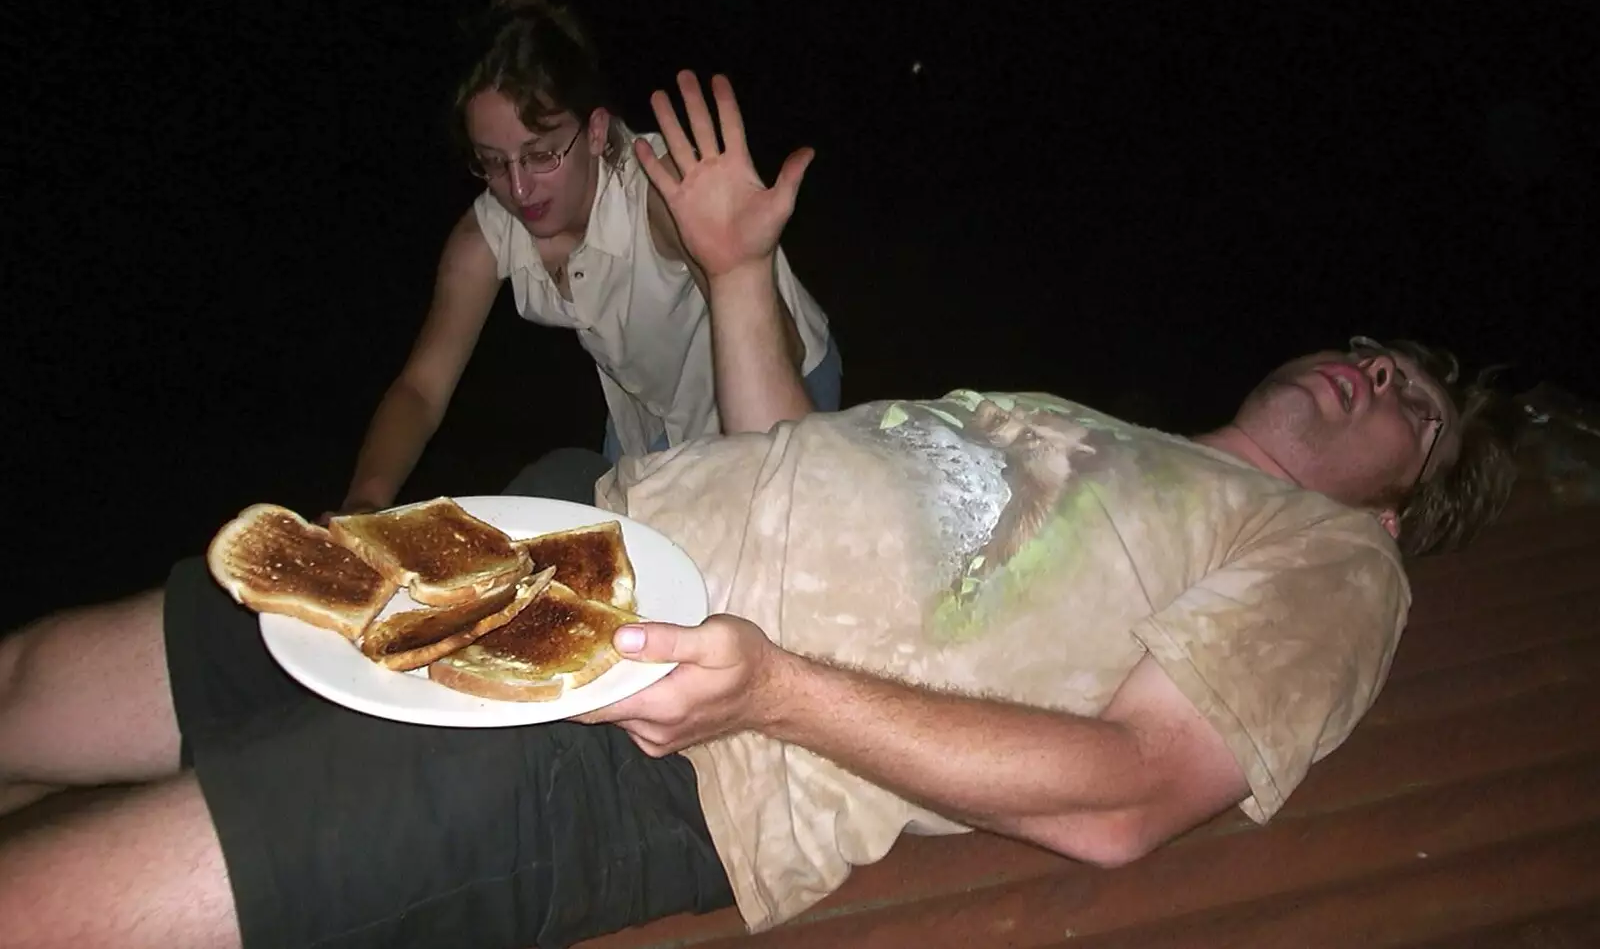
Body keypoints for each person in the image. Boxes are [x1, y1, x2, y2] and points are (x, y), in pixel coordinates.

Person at [0, 72, 1520, 949]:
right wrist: (735, 271)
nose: (1368, 369)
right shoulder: (1092, 426)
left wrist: (774, 690)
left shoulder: (1332, 563)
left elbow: (1130, 792)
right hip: (564, 526)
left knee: (59, 895)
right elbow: (785, 456)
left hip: (672, 749)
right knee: (44, 679)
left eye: (1411, 401)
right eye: (1369, 349)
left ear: (1401, 506)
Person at [333, 0, 841, 517]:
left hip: (778, 377)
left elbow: (786, 352)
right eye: (491, 161)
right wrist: (365, 500)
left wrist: (740, 268)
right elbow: (421, 388)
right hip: (645, 413)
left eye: (541, 154)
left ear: (596, 131)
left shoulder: (667, 197)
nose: (519, 189)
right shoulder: (482, 237)